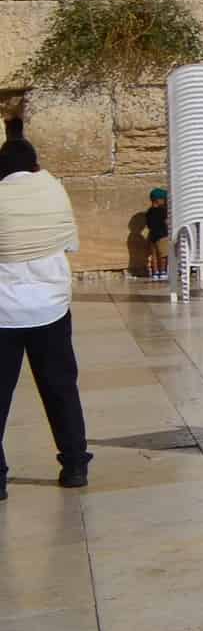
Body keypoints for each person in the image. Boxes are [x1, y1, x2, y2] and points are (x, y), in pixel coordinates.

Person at [0, 135, 89, 497]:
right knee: (60, 389)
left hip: (3, 312)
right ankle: (74, 466)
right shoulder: (53, 191)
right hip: (51, 309)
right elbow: (68, 243)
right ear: (35, 164)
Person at [143, 187, 170, 280]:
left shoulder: (149, 211)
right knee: (164, 255)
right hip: (162, 235)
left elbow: (148, 224)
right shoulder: (163, 211)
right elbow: (166, 222)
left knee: (154, 255)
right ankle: (163, 271)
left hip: (152, 235)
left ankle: (155, 272)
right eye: (164, 199)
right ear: (158, 200)